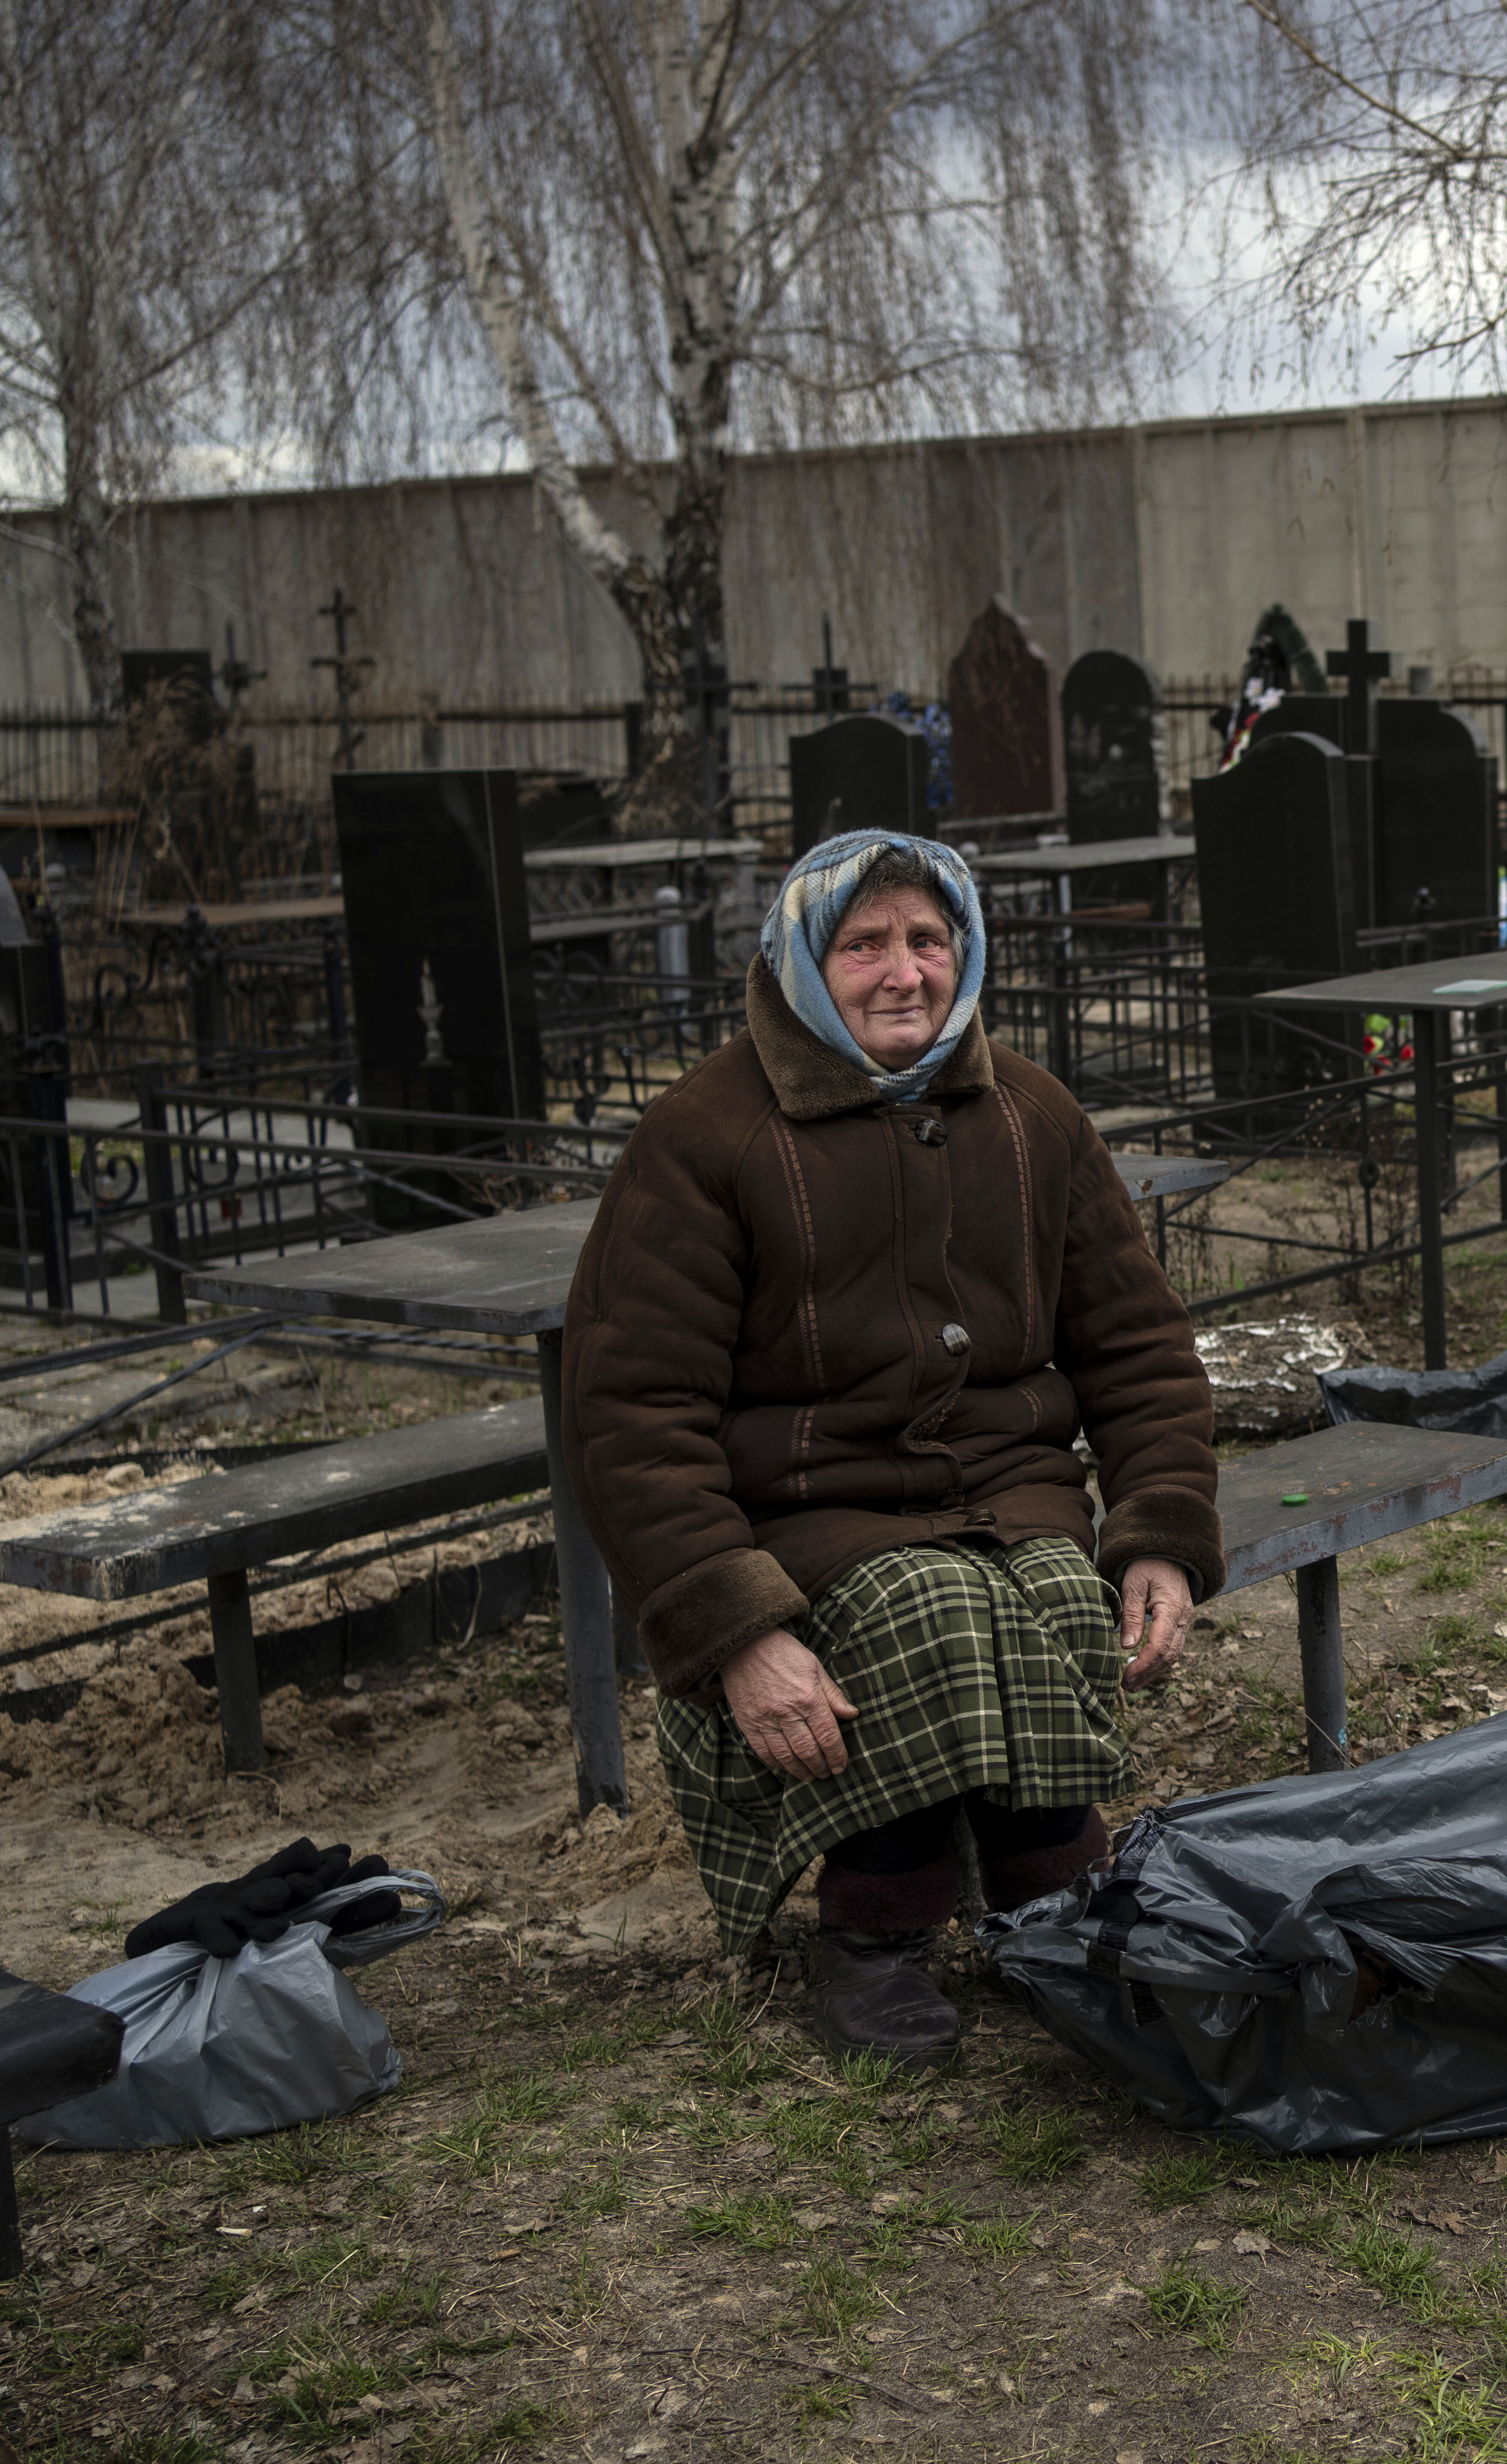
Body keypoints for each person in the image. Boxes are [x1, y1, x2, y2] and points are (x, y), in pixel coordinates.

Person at [556, 829, 1218, 2069]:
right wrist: (735, 1630)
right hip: (808, 1506)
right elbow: (632, 1409)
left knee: (1048, 1592)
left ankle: (1057, 1907)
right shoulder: (707, 1136)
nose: (904, 974)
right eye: (864, 946)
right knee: (926, 1607)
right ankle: (877, 1933)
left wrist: (1162, 1533)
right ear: (804, 962)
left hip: (1008, 1487)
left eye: (928, 940)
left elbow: (1137, 1344)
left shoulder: (1031, 1114)